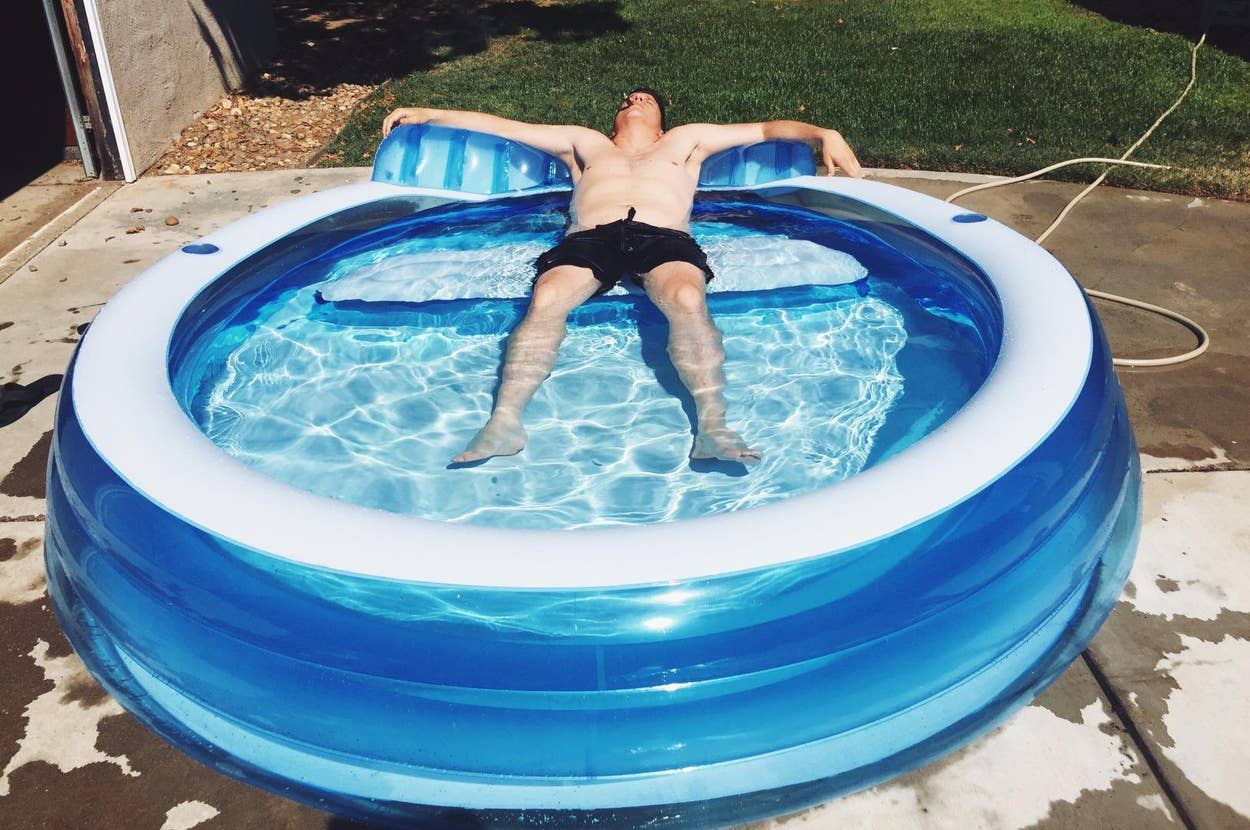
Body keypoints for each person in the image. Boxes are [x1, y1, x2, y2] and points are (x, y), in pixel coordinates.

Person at [381, 89, 863, 466]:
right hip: (591, 235)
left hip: (663, 235)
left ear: (662, 119)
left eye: (646, 100)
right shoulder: (584, 142)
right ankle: (504, 422)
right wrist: (429, 114)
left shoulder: (687, 140)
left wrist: (823, 133)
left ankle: (713, 428)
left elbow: (764, 129)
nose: (634, 103)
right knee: (547, 297)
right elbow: (506, 128)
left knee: (687, 298)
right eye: (627, 100)